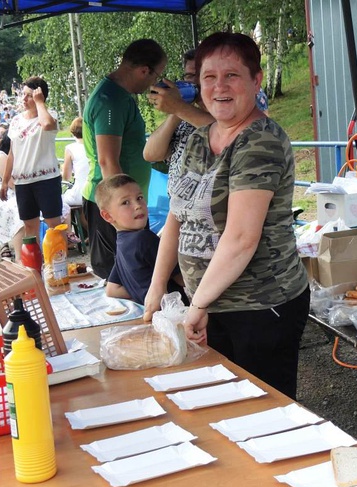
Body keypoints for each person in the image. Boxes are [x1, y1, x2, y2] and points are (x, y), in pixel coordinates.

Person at [143, 32, 309, 399]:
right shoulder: (200, 137)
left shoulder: (260, 141)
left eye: (232, 75)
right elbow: (176, 215)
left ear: (256, 80)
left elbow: (241, 239)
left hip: (262, 306)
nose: (219, 87)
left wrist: (198, 303)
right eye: (208, 77)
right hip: (208, 302)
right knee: (221, 407)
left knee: (264, 414)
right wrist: (156, 287)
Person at [82, 38, 167, 279]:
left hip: (123, 204)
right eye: (157, 75)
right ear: (144, 70)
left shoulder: (119, 96)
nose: (155, 82)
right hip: (115, 205)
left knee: (135, 273)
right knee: (119, 275)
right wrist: (122, 211)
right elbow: (108, 161)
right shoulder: (110, 101)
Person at [95, 174, 185, 304]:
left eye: (140, 198)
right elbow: (182, 279)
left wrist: (143, 294)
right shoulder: (145, 239)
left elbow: (112, 289)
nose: (138, 205)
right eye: (126, 202)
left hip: (152, 312)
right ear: (107, 216)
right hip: (175, 313)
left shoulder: (121, 244)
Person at [0, 76, 62, 244]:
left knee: (54, 225)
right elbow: (12, 153)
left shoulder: (50, 115)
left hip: (47, 179)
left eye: (29, 95)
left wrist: (40, 103)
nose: (24, 99)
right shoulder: (16, 120)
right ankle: (33, 266)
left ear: (38, 96)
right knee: (29, 225)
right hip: (23, 181)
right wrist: (5, 181)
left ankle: (56, 266)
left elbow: (47, 125)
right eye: (23, 94)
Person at [144, 49, 215, 192]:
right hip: (177, 210)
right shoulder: (183, 114)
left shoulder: (228, 114)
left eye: (203, 75)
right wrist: (177, 109)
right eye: (190, 76)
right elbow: (151, 154)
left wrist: (179, 108)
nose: (196, 81)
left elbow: (225, 134)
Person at [61, 116, 90, 207]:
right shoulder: (95, 147)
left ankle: (70, 221)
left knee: (62, 201)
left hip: (79, 193)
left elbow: (66, 177)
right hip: (95, 192)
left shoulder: (70, 148)